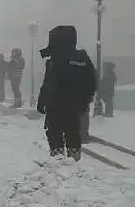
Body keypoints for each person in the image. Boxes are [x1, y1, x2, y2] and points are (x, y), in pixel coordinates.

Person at [36, 25, 96, 160]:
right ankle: (73, 157)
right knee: (72, 132)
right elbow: (91, 82)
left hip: (56, 104)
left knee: (55, 132)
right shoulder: (82, 58)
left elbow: (48, 84)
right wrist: (85, 100)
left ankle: (58, 157)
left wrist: (42, 101)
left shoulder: (55, 60)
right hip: (74, 105)